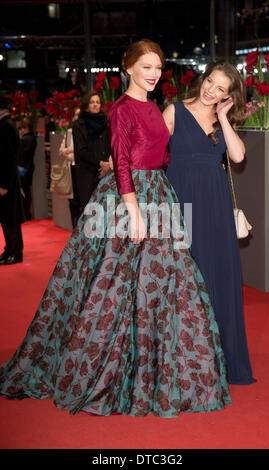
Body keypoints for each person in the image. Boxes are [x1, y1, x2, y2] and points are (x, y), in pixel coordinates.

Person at [0, 40, 231, 416]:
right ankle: (108, 368)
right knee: (115, 282)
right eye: (146, 67)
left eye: (158, 67)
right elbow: (122, 162)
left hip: (159, 194)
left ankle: (156, 370)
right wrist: (135, 212)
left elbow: (164, 154)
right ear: (128, 69)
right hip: (129, 201)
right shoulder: (122, 108)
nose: (154, 74)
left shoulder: (154, 106)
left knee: (164, 285)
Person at [163, 61, 256, 385]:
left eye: (220, 88)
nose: (210, 90)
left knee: (217, 276)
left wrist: (221, 117)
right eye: (210, 82)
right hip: (181, 204)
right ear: (203, 79)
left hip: (215, 207)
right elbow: (152, 152)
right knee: (185, 277)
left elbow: (239, 157)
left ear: (228, 96)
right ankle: (185, 361)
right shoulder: (174, 111)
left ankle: (219, 360)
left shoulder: (220, 119)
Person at [72, 92, 111, 218]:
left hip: (105, 172)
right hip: (87, 173)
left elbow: (110, 145)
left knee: (106, 211)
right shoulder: (79, 124)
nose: (95, 105)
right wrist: (100, 162)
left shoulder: (106, 122)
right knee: (90, 213)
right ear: (86, 105)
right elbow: (81, 151)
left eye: (98, 102)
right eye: (92, 102)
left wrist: (108, 164)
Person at [0, 93, 25, 266]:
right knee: (7, 218)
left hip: (6, 180)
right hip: (6, 179)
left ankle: (14, 252)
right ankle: (10, 250)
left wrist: (4, 184)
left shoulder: (6, 125)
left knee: (11, 218)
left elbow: (8, 157)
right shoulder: (6, 124)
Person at [58, 107, 81, 229]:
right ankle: (74, 228)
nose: (77, 117)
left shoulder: (86, 132)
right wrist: (72, 152)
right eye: (75, 115)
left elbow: (81, 151)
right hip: (70, 170)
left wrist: (71, 153)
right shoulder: (69, 132)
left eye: (79, 114)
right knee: (72, 202)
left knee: (83, 201)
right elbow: (61, 150)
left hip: (82, 170)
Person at [17, 118, 37, 221]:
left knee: (22, 192)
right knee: (25, 191)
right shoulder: (31, 138)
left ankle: (24, 214)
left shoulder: (26, 139)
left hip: (22, 169)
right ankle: (25, 213)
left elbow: (18, 152)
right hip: (26, 168)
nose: (21, 131)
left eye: (22, 128)